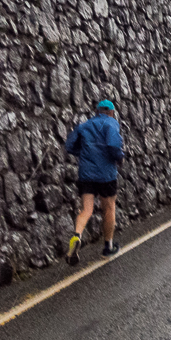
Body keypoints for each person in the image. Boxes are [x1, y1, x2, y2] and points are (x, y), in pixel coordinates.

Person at [65, 99, 125, 264]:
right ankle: (108, 247)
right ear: (111, 113)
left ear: (97, 111)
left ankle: (77, 236)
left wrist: (85, 153)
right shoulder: (111, 124)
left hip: (86, 174)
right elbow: (113, 145)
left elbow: (70, 146)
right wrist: (119, 158)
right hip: (106, 175)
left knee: (86, 210)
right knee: (108, 209)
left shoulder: (84, 126)